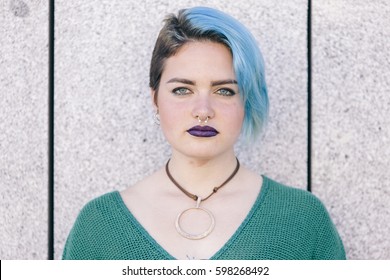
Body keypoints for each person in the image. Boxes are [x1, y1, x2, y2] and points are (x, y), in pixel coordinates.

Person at [62, 6, 346, 260]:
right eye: (182, 90)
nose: (203, 110)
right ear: (155, 99)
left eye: (224, 90)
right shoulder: (98, 229)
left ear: (246, 101)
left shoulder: (303, 221)